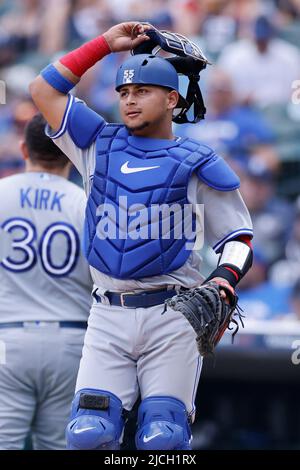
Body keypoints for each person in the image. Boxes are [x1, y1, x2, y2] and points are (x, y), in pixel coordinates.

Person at [30, 21, 253, 451]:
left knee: (163, 438)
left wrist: (224, 279)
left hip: (173, 312)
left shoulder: (196, 161)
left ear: (172, 98)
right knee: (89, 434)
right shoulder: (96, 142)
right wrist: (103, 45)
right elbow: (43, 90)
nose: (130, 100)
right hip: (107, 313)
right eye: (124, 93)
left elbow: (239, 239)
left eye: (143, 91)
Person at [0, 113, 92, 450]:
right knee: (58, 445)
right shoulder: (86, 203)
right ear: (70, 154)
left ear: (24, 149)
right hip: (71, 340)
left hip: (6, 338)